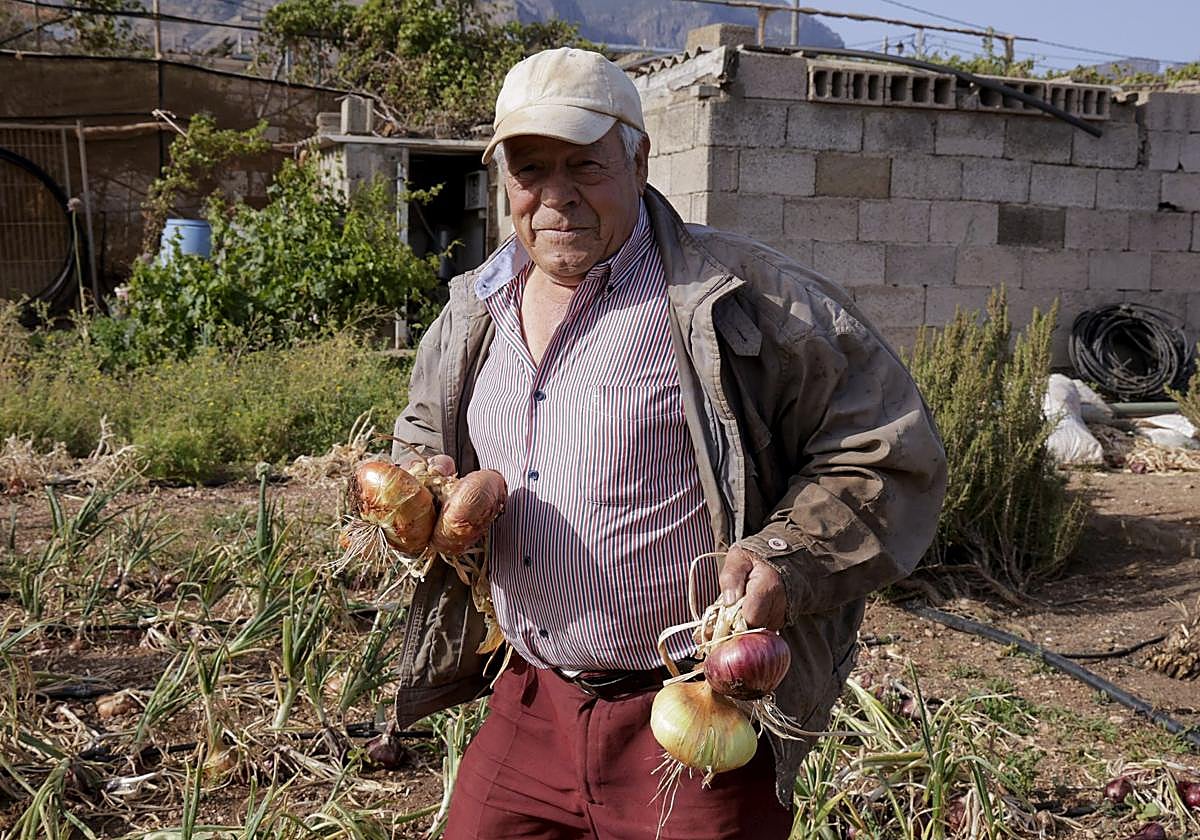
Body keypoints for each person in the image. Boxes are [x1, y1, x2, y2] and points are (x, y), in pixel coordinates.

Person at [388, 46, 947, 839]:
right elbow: (421, 429)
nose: (555, 199)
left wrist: (786, 560)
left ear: (640, 158)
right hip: (531, 701)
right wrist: (423, 485)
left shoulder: (747, 300)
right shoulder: (472, 308)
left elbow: (887, 449)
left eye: (584, 166)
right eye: (529, 169)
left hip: (694, 722)